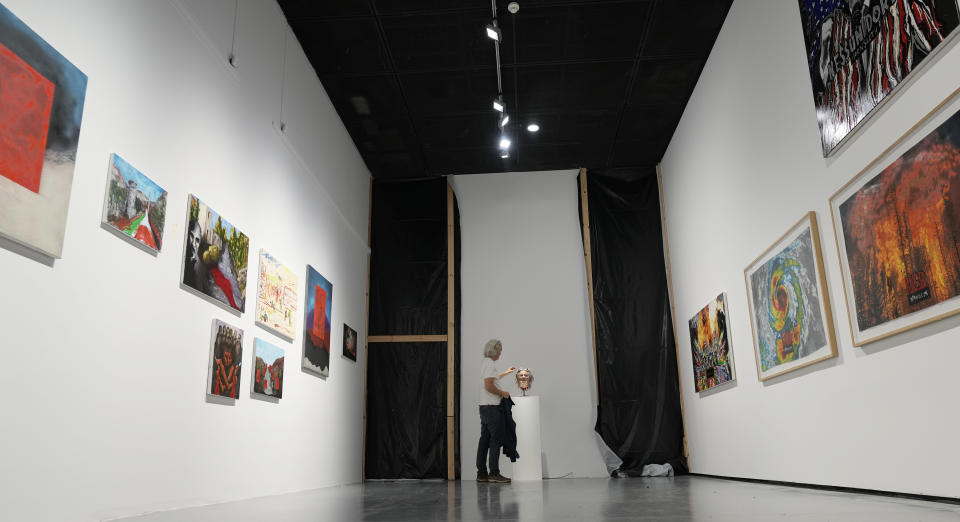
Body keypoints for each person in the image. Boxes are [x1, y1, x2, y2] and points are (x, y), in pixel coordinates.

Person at [477, 339, 516, 484]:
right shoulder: (490, 363)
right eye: (499, 350)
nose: (500, 352)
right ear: (494, 350)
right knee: (495, 440)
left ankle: (481, 473)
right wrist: (502, 393)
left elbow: (491, 379)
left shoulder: (485, 363)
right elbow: (488, 385)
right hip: (492, 408)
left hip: (484, 407)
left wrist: (505, 372)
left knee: (484, 440)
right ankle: (494, 473)